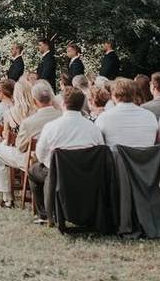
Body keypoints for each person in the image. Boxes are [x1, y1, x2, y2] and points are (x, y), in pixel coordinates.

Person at [28, 88, 104, 222]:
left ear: (63, 103)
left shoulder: (51, 127)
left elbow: (40, 154)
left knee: (33, 171)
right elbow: (101, 149)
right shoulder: (93, 128)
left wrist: (52, 164)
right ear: (82, 105)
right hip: (87, 172)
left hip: (59, 173)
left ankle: (45, 213)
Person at [0, 81, 60, 207]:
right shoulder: (59, 115)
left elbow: (20, 146)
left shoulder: (27, 121)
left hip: (31, 159)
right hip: (56, 158)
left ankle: (7, 198)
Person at [95, 79, 158, 147]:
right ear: (134, 94)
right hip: (147, 157)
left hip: (116, 157)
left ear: (113, 96)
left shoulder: (103, 118)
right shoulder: (150, 116)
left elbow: (98, 143)